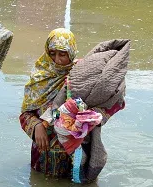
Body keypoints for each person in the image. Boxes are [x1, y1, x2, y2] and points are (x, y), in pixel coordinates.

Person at [19, 28, 122, 179]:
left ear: (71, 52)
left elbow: (110, 97)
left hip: (77, 150)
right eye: (52, 53)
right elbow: (25, 113)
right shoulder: (40, 76)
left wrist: (93, 116)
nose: (57, 60)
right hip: (44, 152)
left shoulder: (83, 73)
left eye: (62, 54)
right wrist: (36, 126)